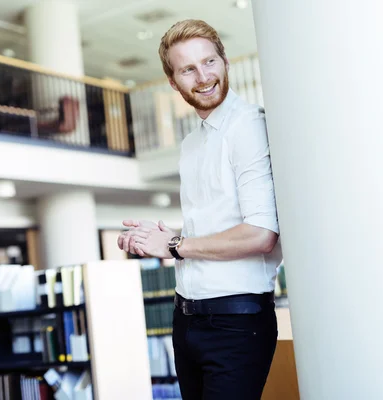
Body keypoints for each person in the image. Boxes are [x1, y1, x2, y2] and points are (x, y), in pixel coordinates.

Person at [117, 19, 283, 400]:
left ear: (226, 62)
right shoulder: (191, 144)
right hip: (186, 318)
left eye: (210, 62)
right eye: (188, 69)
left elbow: (260, 233)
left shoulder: (248, 127)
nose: (203, 76)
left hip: (236, 322)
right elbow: (213, 225)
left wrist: (174, 245)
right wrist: (157, 237)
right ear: (173, 82)